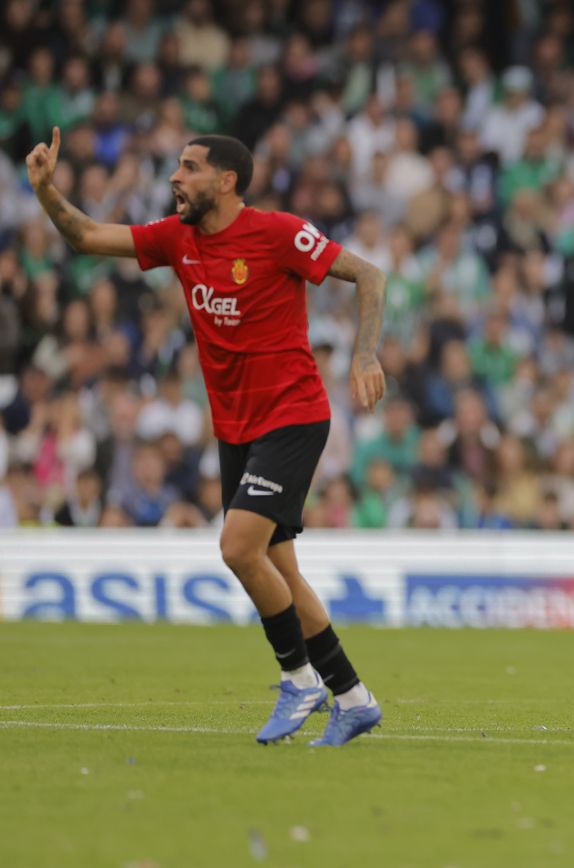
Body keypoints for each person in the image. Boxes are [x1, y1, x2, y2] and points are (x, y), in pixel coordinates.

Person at [26, 128, 389, 747]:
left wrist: (365, 356)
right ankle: (353, 698)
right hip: (235, 427)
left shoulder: (277, 233)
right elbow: (87, 236)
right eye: (176, 166)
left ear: (226, 181)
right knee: (280, 571)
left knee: (238, 548)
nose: (175, 177)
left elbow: (370, 275)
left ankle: (299, 679)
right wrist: (46, 191)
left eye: (189, 168)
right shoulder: (177, 238)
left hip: (292, 414)